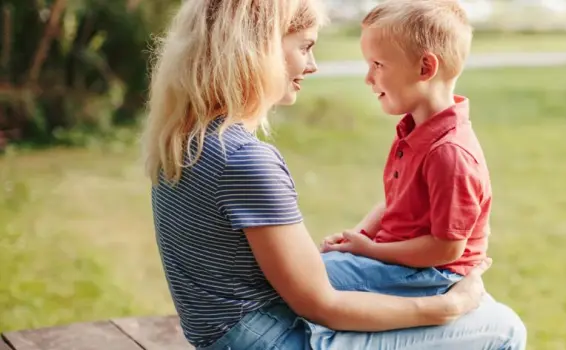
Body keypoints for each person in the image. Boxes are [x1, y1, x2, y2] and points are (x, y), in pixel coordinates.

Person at [141, 0, 527, 349]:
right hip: (272, 338)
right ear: (258, 51)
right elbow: (322, 304)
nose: (312, 65)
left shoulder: (184, 141)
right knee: (506, 328)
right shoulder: (243, 160)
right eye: (305, 46)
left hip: (227, 333)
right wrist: (446, 307)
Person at [320, 0, 492, 300]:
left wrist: (372, 251)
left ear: (425, 67)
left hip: (436, 274)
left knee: (309, 277)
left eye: (378, 65)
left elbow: (447, 247)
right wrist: (358, 237)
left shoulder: (449, 152)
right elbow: (395, 202)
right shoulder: (414, 131)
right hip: (403, 262)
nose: (368, 78)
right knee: (310, 269)